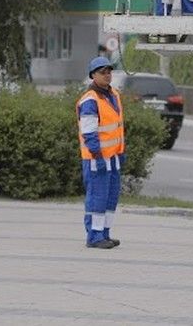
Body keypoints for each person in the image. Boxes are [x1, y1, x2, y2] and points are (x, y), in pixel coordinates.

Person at [77, 56, 125, 249]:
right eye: (102, 72)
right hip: (96, 158)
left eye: (109, 71)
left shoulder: (113, 94)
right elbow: (89, 133)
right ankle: (94, 236)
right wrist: (98, 155)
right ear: (93, 75)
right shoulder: (90, 100)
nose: (107, 75)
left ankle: (104, 233)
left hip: (113, 157)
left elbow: (116, 128)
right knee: (97, 197)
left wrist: (120, 153)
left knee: (110, 198)